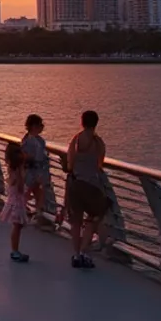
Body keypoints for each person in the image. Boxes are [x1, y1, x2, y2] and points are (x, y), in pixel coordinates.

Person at [64, 110, 109, 269]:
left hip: (75, 184)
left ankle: (76, 255)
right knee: (93, 218)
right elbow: (100, 165)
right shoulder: (99, 143)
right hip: (92, 186)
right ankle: (84, 251)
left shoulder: (75, 140)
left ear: (82, 122)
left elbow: (70, 164)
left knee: (75, 222)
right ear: (96, 123)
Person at [0, 141, 31, 263]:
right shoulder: (17, 172)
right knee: (17, 226)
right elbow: (20, 188)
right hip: (17, 202)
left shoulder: (12, 169)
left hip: (15, 200)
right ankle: (14, 251)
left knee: (18, 226)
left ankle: (15, 250)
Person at [21, 114, 49, 221]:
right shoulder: (30, 140)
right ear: (33, 126)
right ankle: (34, 213)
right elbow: (26, 155)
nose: (42, 127)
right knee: (31, 191)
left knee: (37, 192)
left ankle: (37, 213)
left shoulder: (36, 140)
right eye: (39, 125)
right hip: (33, 170)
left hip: (36, 170)